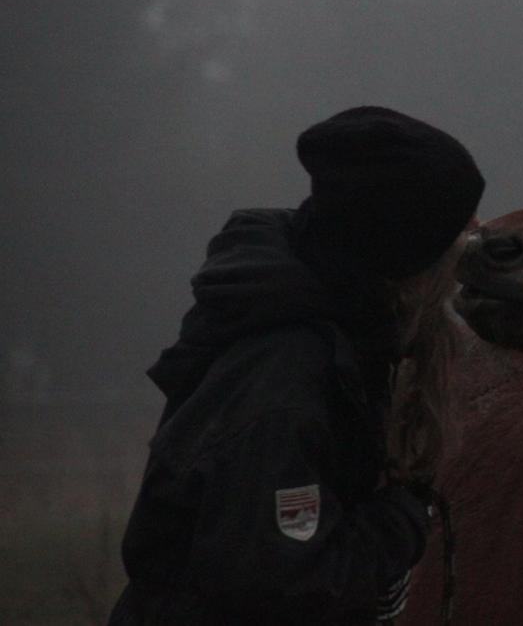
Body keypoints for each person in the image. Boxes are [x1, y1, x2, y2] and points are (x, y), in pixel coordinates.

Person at [108, 106, 484, 625]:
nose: (474, 239)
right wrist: (404, 513)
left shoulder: (343, 331)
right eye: (457, 232)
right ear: (405, 259)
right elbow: (287, 586)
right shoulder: (283, 388)